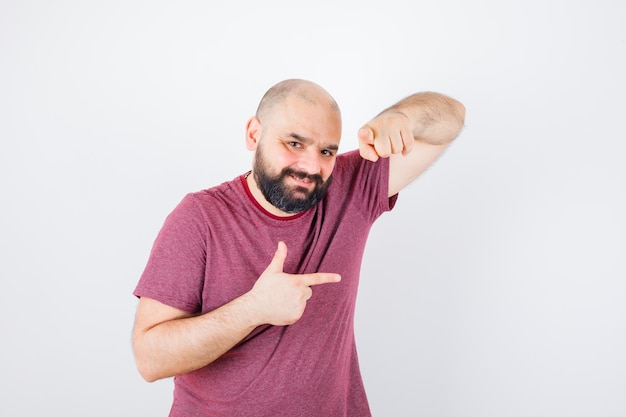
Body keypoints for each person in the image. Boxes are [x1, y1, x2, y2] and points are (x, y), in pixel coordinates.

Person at [132, 78, 465, 416]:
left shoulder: (350, 188)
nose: (311, 167)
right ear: (254, 134)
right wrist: (253, 310)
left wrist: (403, 118)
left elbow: (451, 117)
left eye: (326, 151)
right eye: (294, 143)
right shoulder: (199, 217)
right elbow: (149, 358)